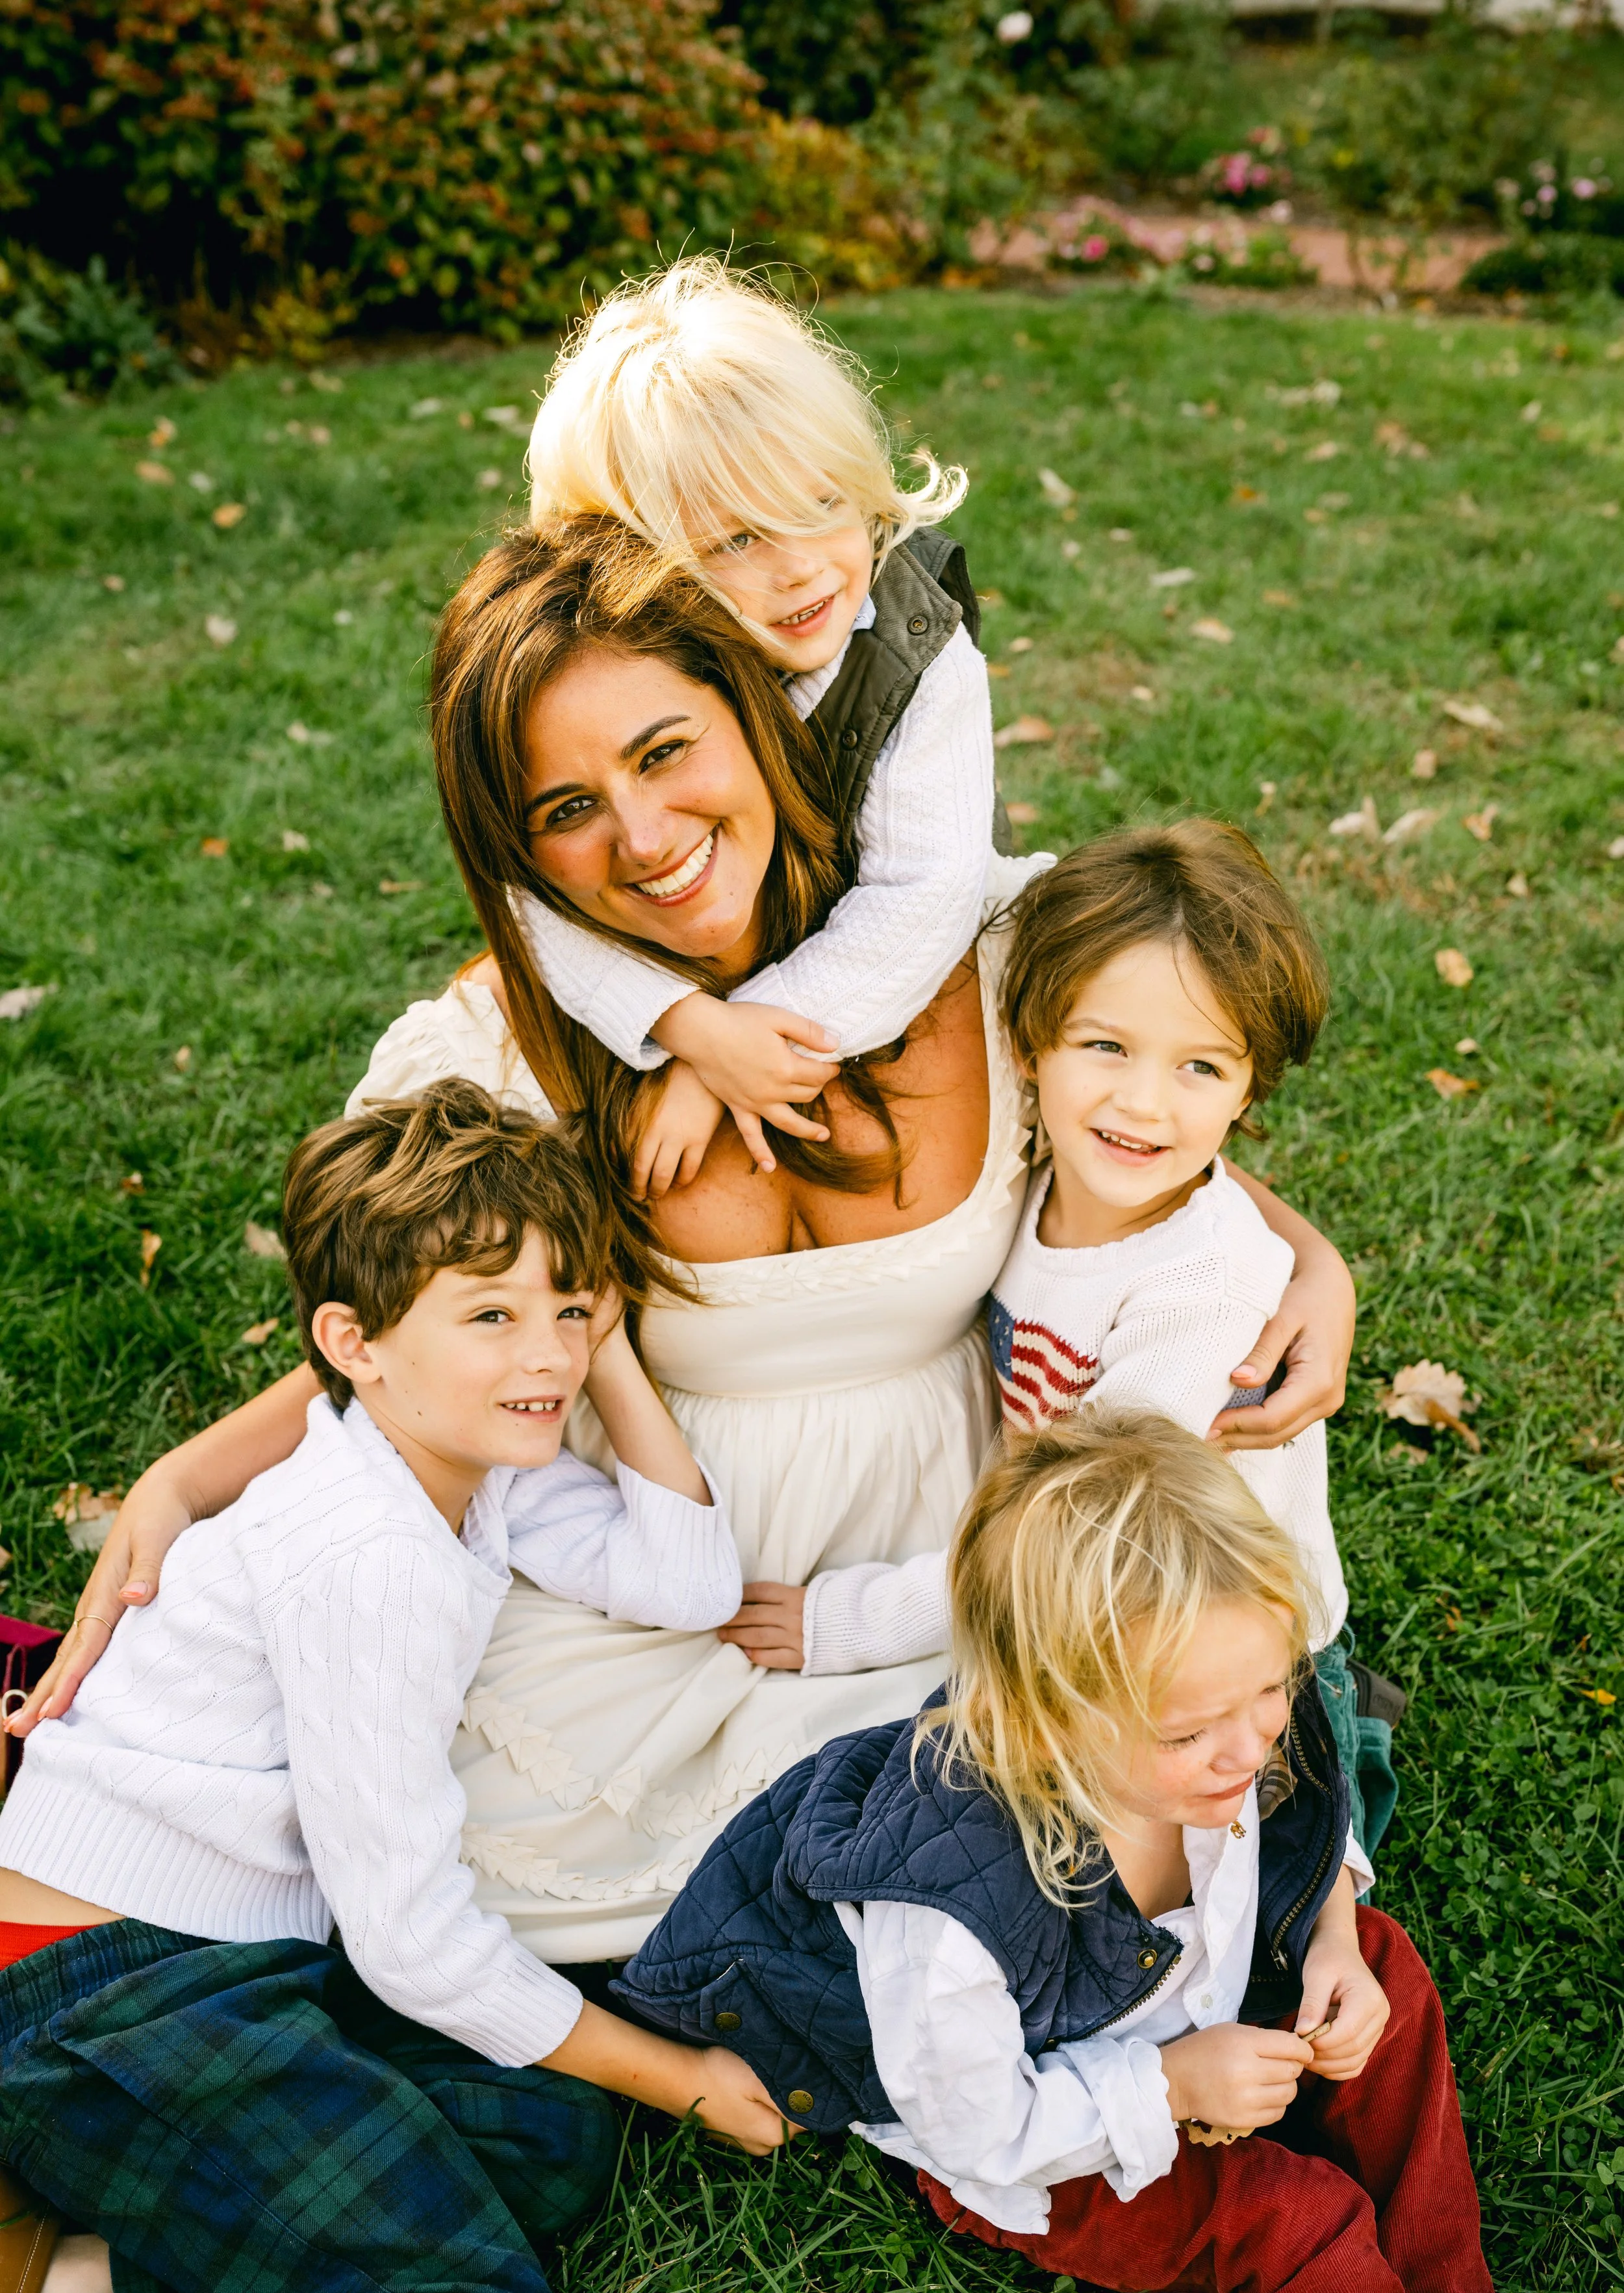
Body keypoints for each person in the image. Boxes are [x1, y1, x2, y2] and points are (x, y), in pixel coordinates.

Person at [13, 521, 1358, 1975]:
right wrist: (189, 1477)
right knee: (409, 1855)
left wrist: (1310, 1263)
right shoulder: (500, 1052)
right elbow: (408, 1348)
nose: (644, 840)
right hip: (672, 1557)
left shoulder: (983, 946)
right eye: (566, 807)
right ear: (513, 849)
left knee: (1104, 1810)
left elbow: (1151, 1135)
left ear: (754, 716)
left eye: (665, 752)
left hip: (952, 1535)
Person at [0, 1081, 783, 2293]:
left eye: (567, 1300)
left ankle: (64, 2287)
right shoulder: (368, 1556)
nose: (542, 1349)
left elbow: (685, 1576)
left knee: (540, 2127)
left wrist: (589, 1346)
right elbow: (413, 1940)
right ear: (354, 1343)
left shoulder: (458, 1457)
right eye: (489, 1314)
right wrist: (687, 2080)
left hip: (229, 1955)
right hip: (100, 1989)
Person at [616, 1413, 1608, 2293]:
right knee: (1285, 2213)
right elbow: (981, 2130)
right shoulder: (956, 1902)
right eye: (1188, 1730)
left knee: (1386, 1976)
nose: (1245, 1747)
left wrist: (1332, 1942)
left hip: (1187, 2009)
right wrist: (1175, 2084)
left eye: (1269, 1688)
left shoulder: (1234, 1698)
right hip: (1056, 2134)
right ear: (1053, 1720)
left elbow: (1314, 1809)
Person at [753, 819, 1399, 1849]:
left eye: (1201, 1067)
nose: (1142, 1104)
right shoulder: (1048, 1169)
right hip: (1087, 1592)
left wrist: (846, 1623)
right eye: (1106, 1046)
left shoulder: (1205, 1302)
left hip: (1217, 1651)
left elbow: (1075, 1536)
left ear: (1247, 1088)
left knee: (1044, 1858)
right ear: (1031, 1044)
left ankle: (1318, 1850)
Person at [522, 253, 1006, 1198]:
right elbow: (525, 890)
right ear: (627, 564)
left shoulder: (916, 652)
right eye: (735, 539)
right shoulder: (630, 672)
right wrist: (684, 1026)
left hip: (900, 993)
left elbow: (925, 900)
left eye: (821, 503)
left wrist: (737, 1045)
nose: (802, 569)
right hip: (708, 977)